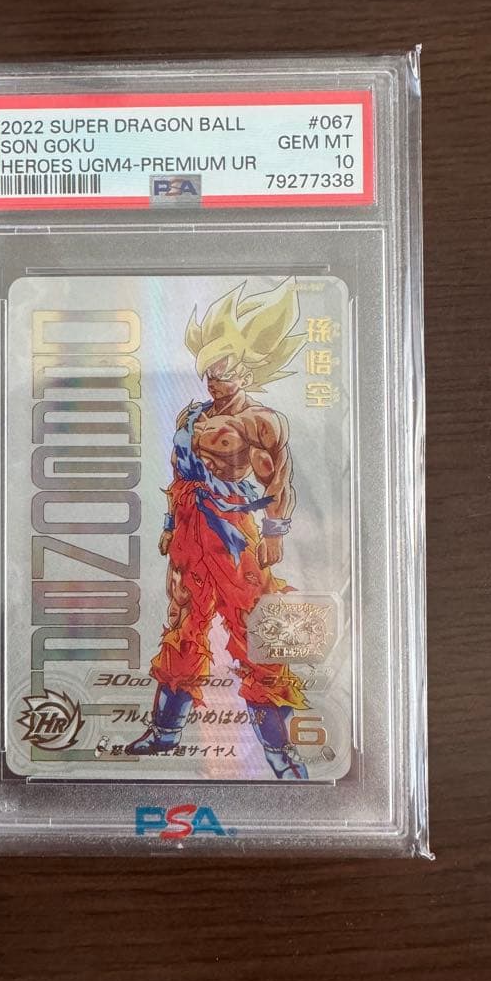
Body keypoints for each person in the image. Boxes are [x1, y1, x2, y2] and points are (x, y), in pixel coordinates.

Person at [125, 281, 311, 779]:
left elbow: (279, 481)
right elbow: (178, 476)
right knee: (183, 626)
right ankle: (165, 733)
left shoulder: (261, 421)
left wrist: (275, 533)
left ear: (245, 370)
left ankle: (280, 753)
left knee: (254, 633)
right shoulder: (190, 415)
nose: (213, 380)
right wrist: (170, 525)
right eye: (209, 370)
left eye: (223, 370)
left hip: (234, 536)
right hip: (190, 533)